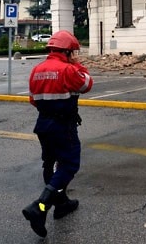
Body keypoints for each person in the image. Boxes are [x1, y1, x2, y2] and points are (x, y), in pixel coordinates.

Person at [22, 30, 93, 238]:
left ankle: (60, 205)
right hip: (64, 126)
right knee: (69, 165)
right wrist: (77, 65)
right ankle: (40, 206)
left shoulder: (37, 70)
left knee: (50, 164)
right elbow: (87, 83)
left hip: (43, 125)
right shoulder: (68, 70)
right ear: (68, 51)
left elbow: (33, 99)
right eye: (74, 52)